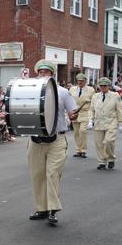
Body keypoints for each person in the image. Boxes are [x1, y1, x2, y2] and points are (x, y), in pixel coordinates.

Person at [26, 60, 77, 227]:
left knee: (52, 174)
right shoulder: (29, 92)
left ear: (52, 74)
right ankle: (41, 208)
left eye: (46, 72)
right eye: (40, 71)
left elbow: (72, 112)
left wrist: (73, 116)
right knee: (37, 175)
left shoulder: (62, 92)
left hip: (57, 138)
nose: (43, 74)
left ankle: (53, 210)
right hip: (35, 139)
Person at [88, 77, 122, 170]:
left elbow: (120, 110)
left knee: (108, 141)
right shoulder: (95, 96)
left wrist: (121, 123)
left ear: (108, 86)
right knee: (99, 143)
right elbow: (91, 109)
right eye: (101, 86)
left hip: (111, 122)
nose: (103, 87)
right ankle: (102, 161)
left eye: (105, 86)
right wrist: (90, 120)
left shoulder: (115, 95)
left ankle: (111, 158)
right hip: (98, 122)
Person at [69, 74, 96, 155]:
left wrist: (92, 117)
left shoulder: (90, 90)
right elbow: (69, 100)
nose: (80, 82)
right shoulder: (72, 89)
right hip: (75, 113)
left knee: (82, 131)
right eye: (79, 81)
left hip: (85, 112)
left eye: (82, 81)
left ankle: (84, 150)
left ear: (85, 81)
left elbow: (93, 102)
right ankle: (78, 150)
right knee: (76, 132)